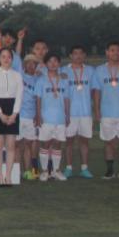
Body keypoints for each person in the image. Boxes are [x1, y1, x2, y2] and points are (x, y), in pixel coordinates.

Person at [92, 41, 119, 180]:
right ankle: (110, 171)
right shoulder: (99, 70)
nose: (115, 53)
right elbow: (97, 91)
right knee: (108, 142)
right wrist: (97, 110)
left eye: (118, 50)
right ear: (107, 52)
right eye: (112, 50)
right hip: (106, 112)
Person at [0, 48, 24, 185]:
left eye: (9, 57)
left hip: (13, 109)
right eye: (3, 56)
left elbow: (19, 96)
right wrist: (0, 114)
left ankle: (8, 177)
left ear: (12, 59)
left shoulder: (17, 75)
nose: (6, 59)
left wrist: (14, 114)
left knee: (11, 146)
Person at [35, 53, 70, 181]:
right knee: (45, 144)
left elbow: (66, 99)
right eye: (50, 61)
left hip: (60, 118)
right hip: (46, 118)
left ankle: (56, 171)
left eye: (55, 61)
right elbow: (38, 99)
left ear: (59, 63)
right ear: (45, 64)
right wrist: (38, 115)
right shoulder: (41, 80)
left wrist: (67, 115)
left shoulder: (64, 80)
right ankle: (45, 171)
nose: (53, 63)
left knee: (58, 144)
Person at [63, 45, 96, 179]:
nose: (78, 56)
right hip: (69, 113)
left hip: (86, 112)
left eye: (81, 53)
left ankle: (84, 168)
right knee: (69, 142)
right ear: (70, 56)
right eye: (75, 53)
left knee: (84, 141)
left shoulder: (91, 70)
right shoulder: (63, 71)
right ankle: (68, 168)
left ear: (84, 55)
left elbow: (94, 91)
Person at [18, 55, 42, 180]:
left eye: (34, 63)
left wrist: (38, 115)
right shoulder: (18, 76)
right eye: (28, 63)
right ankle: (16, 171)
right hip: (18, 115)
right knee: (17, 145)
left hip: (31, 117)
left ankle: (29, 171)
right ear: (24, 65)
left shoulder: (39, 79)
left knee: (29, 145)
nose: (31, 65)